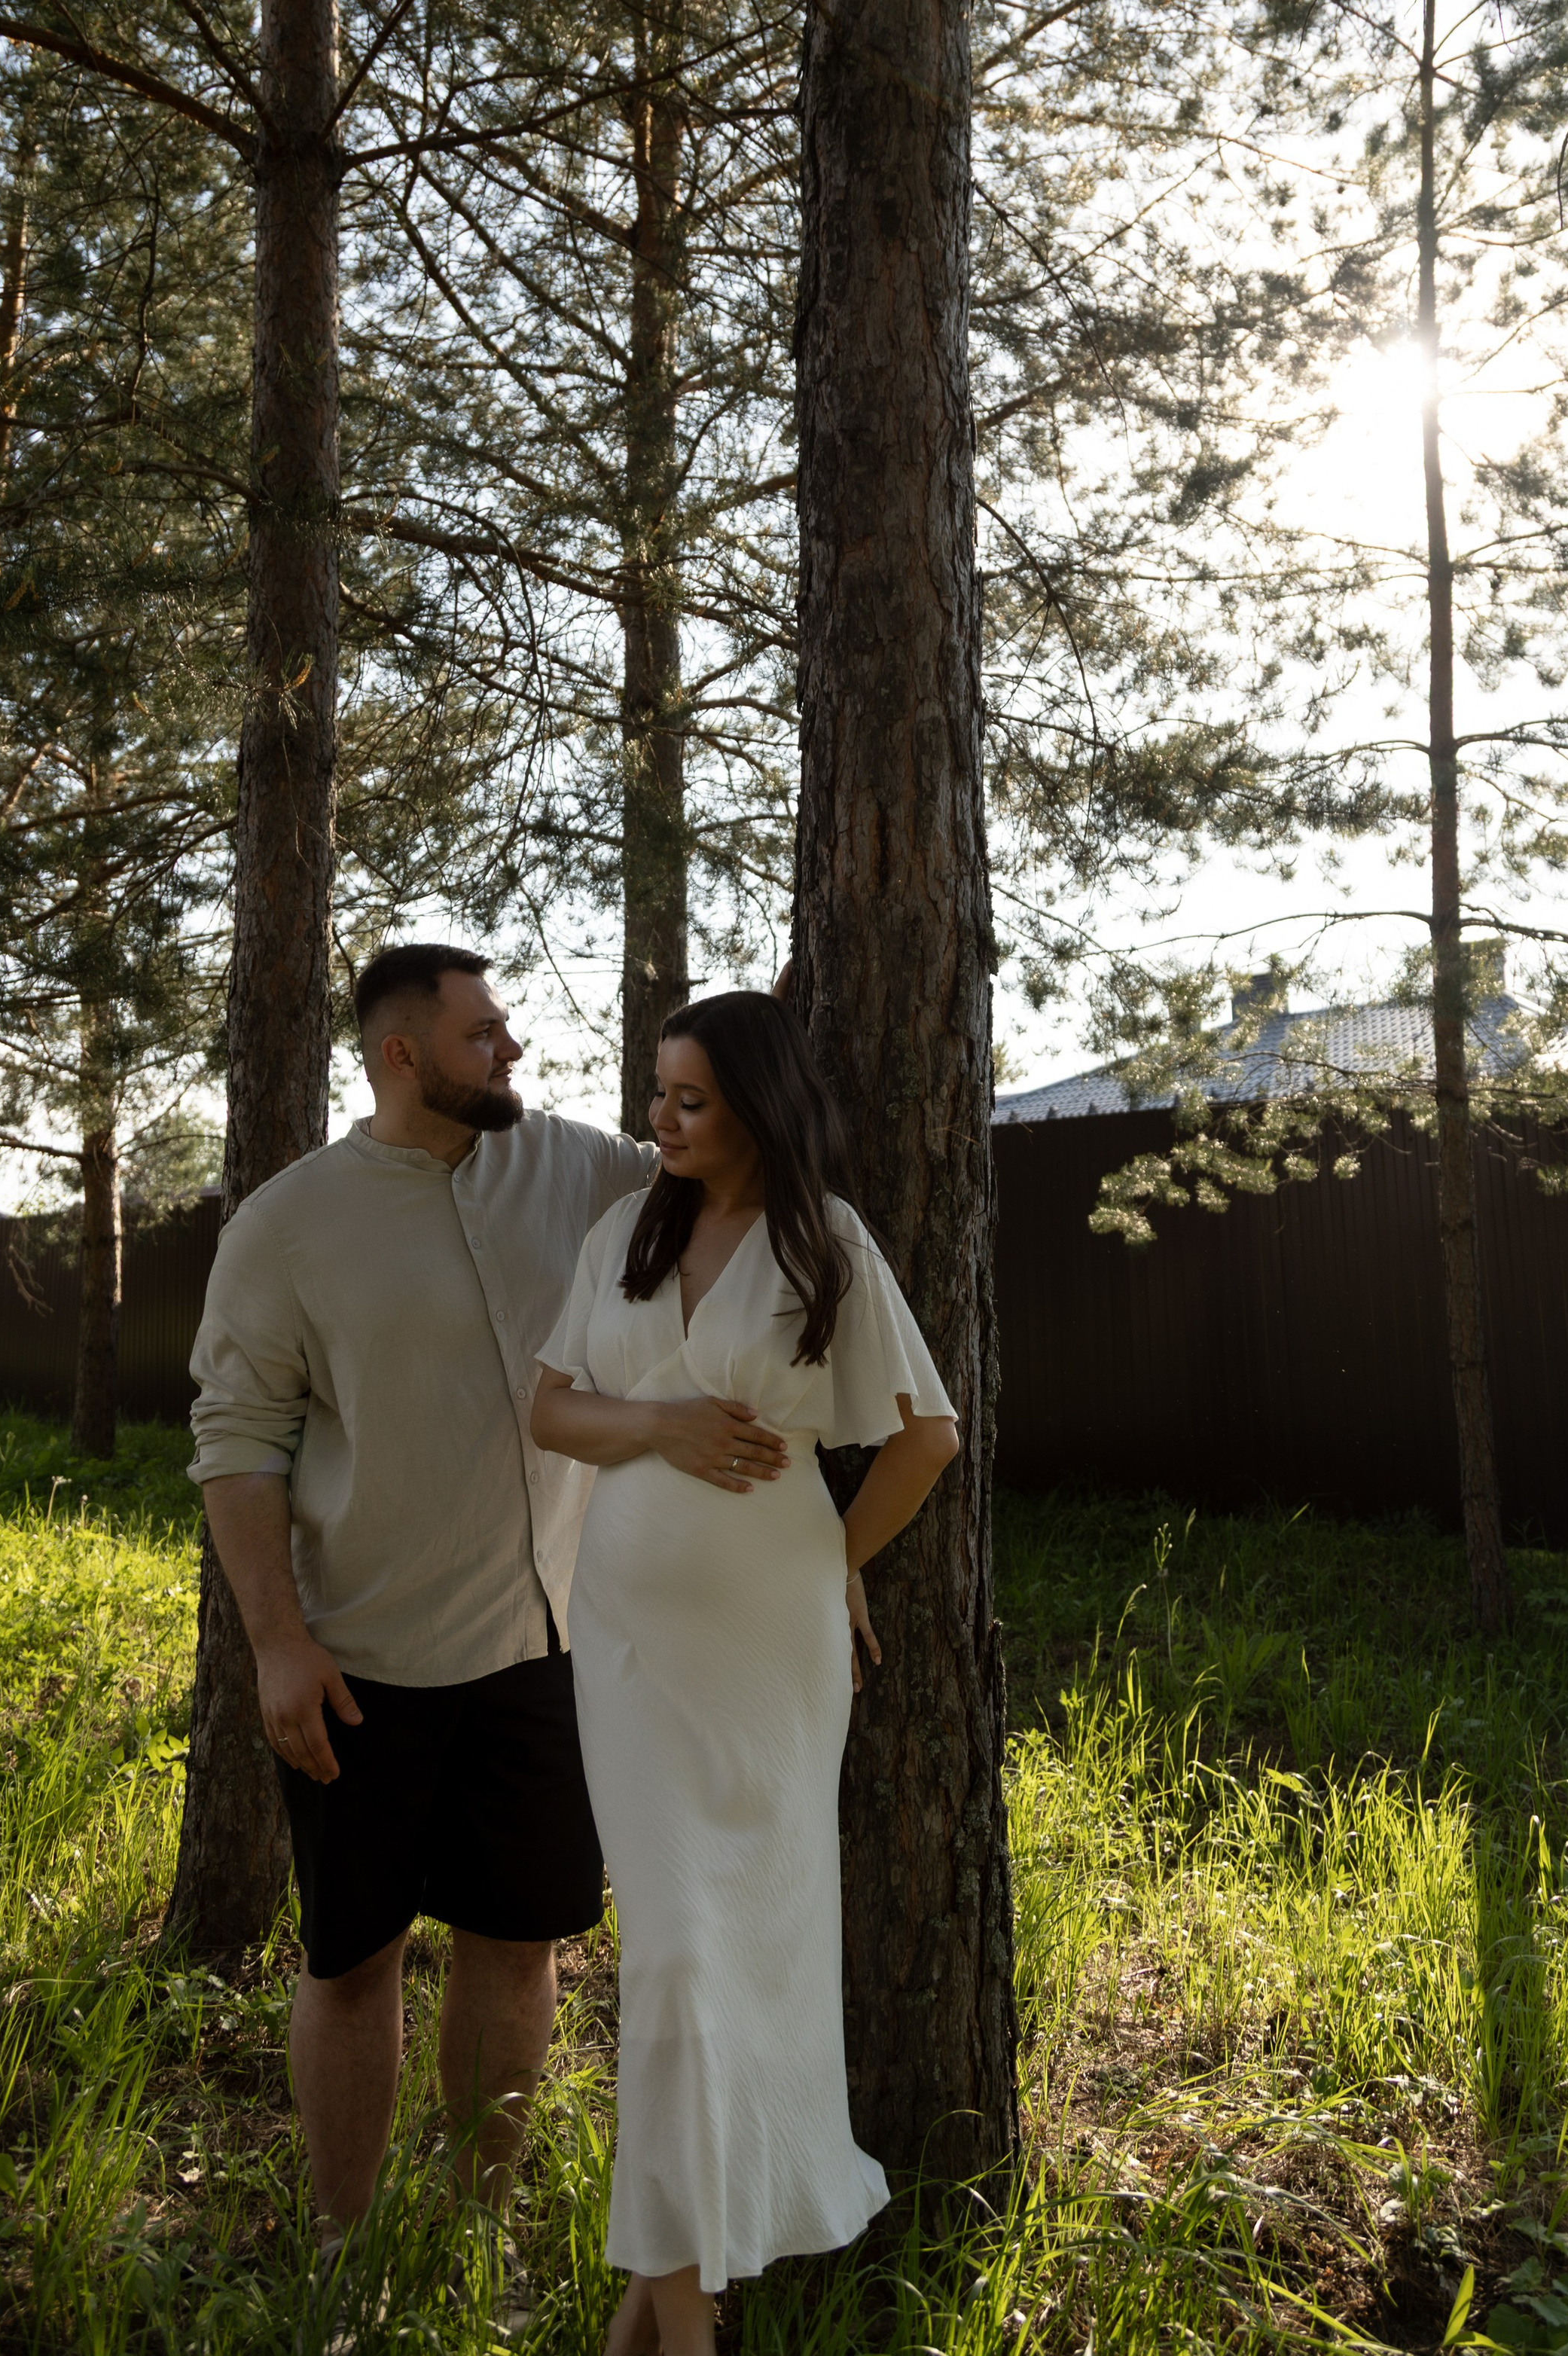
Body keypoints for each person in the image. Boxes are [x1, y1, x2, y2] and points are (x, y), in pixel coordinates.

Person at [186, 944, 655, 2333]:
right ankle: (345, 2258)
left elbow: (721, 1180)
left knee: (519, 1943)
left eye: (506, 1029)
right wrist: (275, 1642)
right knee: (356, 1956)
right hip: (361, 1664)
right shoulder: (285, 1227)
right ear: (402, 1055)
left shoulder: (575, 1167)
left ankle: (477, 2230)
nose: (511, 1050)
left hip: (546, 1655)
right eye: (483, 1033)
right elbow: (237, 1442)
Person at [530, 990, 961, 2356]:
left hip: (770, 1645)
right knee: (667, 1956)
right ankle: (680, 2315)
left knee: (724, 1963)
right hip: (633, 1648)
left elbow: (928, 1434)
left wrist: (836, 1554)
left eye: (690, 1100)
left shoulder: (824, 1242)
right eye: (656, 1094)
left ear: (760, 1106)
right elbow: (548, 1407)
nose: (659, 1119)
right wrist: (655, 1420)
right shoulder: (627, 1233)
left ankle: (652, 2316)